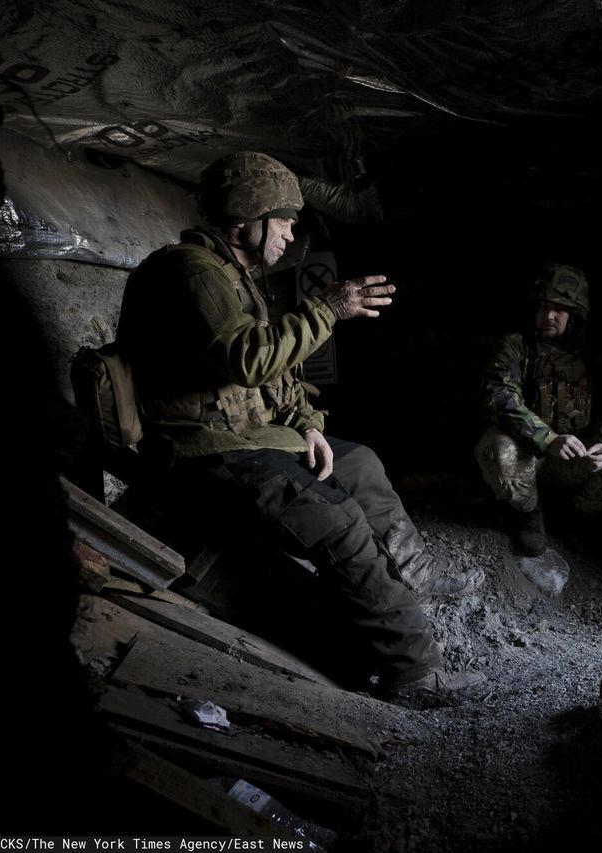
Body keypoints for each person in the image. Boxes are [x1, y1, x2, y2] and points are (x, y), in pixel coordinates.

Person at [116, 151, 483, 700]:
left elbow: (277, 375)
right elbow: (247, 359)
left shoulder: (231, 274)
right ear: (246, 217)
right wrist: (329, 307)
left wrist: (305, 423)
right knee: (337, 520)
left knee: (358, 462)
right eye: (283, 218)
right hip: (202, 450)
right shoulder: (189, 272)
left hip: (249, 435)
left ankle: (413, 581)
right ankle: (413, 672)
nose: (291, 231)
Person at [475, 263, 602, 555]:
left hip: (575, 455)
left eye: (559, 309)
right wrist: (548, 439)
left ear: (576, 315)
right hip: (530, 454)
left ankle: (575, 516)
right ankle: (529, 512)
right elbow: (499, 396)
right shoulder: (518, 346)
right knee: (497, 448)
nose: (548, 316)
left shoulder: (594, 354)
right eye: (543, 307)